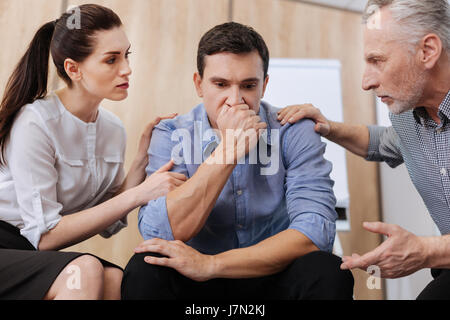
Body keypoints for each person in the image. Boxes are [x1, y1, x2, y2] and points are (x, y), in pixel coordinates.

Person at [121, 22, 354, 300]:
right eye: (220, 84)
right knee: (144, 267)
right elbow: (158, 231)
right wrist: (228, 151)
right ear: (199, 84)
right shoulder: (172, 133)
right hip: (196, 284)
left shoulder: (294, 130)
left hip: (270, 275)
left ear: (264, 85)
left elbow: (316, 232)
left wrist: (212, 265)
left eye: (248, 85)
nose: (235, 100)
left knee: (328, 270)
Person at [0, 4, 185, 300]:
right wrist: (140, 193)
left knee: (113, 279)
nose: (126, 68)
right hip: (8, 243)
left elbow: (109, 220)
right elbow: (46, 236)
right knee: (83, 270)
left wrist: (141, 160)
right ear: (73, 69)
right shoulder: (35, 123)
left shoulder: (113, 129)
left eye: (127, 55)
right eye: (111, 59)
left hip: (26, 251)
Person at [277, 0, 450, 299]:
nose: (365, 82)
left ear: (428, 51)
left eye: (377, 60)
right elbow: (383, 142)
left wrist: (425, 249)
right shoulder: (407, 118)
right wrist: (327, 126)